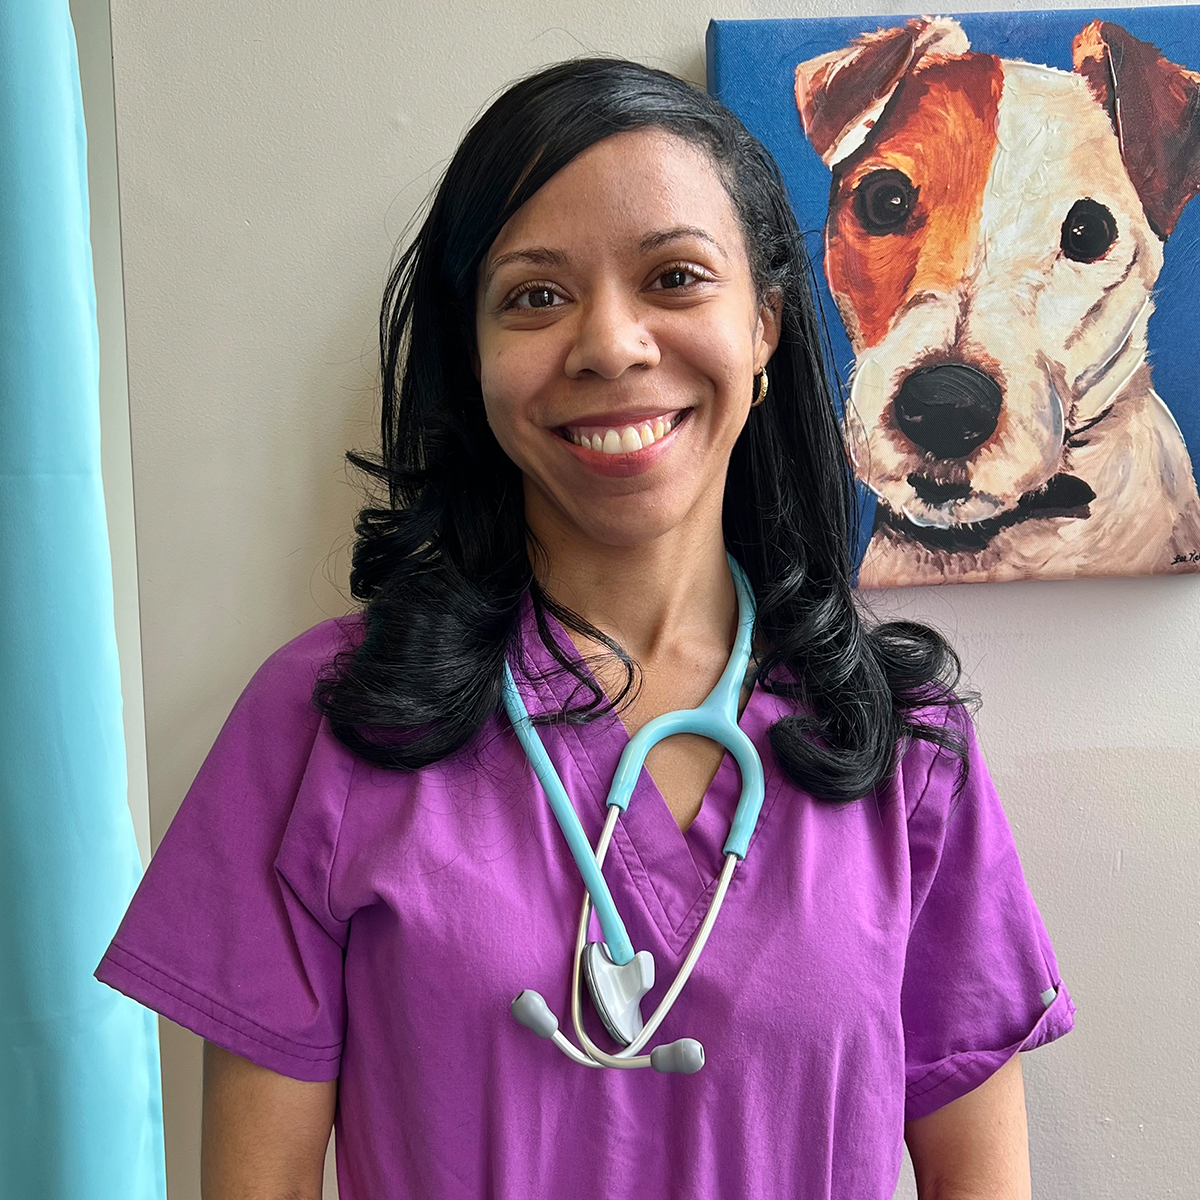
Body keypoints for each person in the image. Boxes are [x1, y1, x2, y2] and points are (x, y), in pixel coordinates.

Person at [95, 57, 1073, 1200]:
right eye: (536, 296)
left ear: (763, 326)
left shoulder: (903, 749)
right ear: (472, 359)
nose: (611, 344)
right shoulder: (320, 727)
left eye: (673, 277)